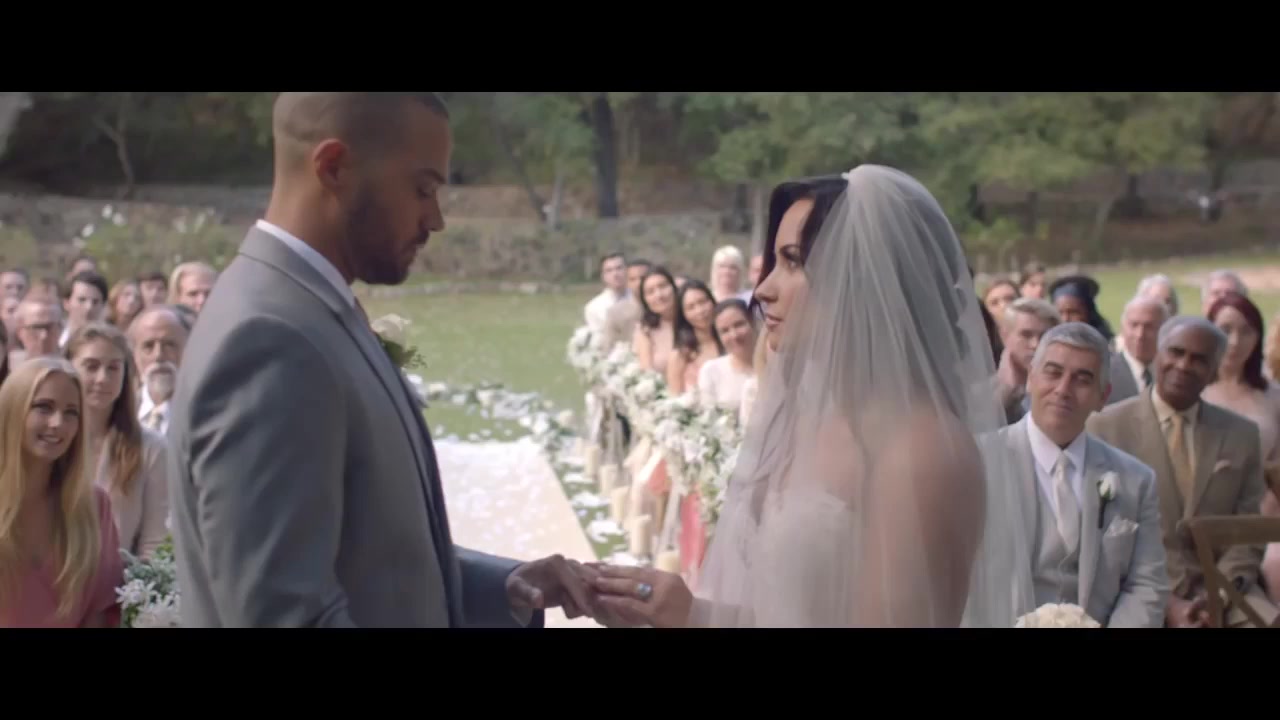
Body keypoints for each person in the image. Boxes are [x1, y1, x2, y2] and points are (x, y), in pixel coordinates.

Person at [167, 92, 594, 627]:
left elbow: (366, 552)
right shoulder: (268, 340)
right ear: (334, 167)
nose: (436, 219)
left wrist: (503, 588)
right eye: (422, 189)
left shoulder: (312, 310)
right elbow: (287, 616)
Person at [588, 166, 1034, 628]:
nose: (764, 289)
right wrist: (688, 613)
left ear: (861, 281)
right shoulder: (813, 417)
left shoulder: (923, 453)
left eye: (793, 261)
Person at [1088, 316, 1277, 627]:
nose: (1184, 365)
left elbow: (1248, 533)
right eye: (1176, 352)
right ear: (1157, 355)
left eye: (1199, 359)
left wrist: (1218, 596)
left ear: (1214, 371)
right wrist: (1168, 603)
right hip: (1136, 591)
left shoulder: (1240, 435)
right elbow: (1103, 532)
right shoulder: (1105, 428)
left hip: (1226, 592)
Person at [982, 323, 1169, 627]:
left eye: (1082, 379)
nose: (1063, 390)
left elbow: (1146, 584)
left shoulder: (1136, 479)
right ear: (1031, 378)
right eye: (1053, 373)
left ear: (1103, 396)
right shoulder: (980, 461)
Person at [0, 357, 124, 627]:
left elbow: (101, 612)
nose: (58, 423)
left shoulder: (93, 506)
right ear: (12, 410)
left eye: (71, 413)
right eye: (44, 407)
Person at [1201, 292, 1280, 605]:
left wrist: (1260, 523)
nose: (1235, 341)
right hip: (1202, 517)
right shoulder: (1194, 392)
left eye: (1246, 331)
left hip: (1264, 517)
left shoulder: (1273, 396)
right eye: (1225, 329)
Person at [65, 323, 169, 559]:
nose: (102, 378)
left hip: (121, 578)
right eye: (91, 366)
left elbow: (154, 541)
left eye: (113, 368)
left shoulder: (152, 448)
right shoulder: (50, 438)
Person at [994, 297, 1060, 423]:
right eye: (1026, 335)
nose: (1036, 344)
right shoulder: (980, 394)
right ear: (1004, 336)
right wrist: (1007, 391)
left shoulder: (1064, 388)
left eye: (1044, 336)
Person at [697, 299, 758, 415]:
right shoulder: (711, 371)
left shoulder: (777, 364)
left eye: (739, 325)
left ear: (753, 323)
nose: (734, 335)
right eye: (725, 331)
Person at [666, 279, 722, 396]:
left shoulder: (729, 340)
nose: (700, 311)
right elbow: (675, 398)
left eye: (703, 302)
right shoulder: (679, 355)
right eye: (691, 307)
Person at [1117, 296, 1168, 396]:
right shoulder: (1104, 374)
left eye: (1149, 327)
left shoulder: (1172, 374)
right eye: (1134, 325)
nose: (1140, 335)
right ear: (1122, 328)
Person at [60, 271, 109, 347]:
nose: (89, 307)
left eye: (95, 302)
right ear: (66, 303)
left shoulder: (110, 346)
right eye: (82, 300)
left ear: (103, 305)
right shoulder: (52, 342)